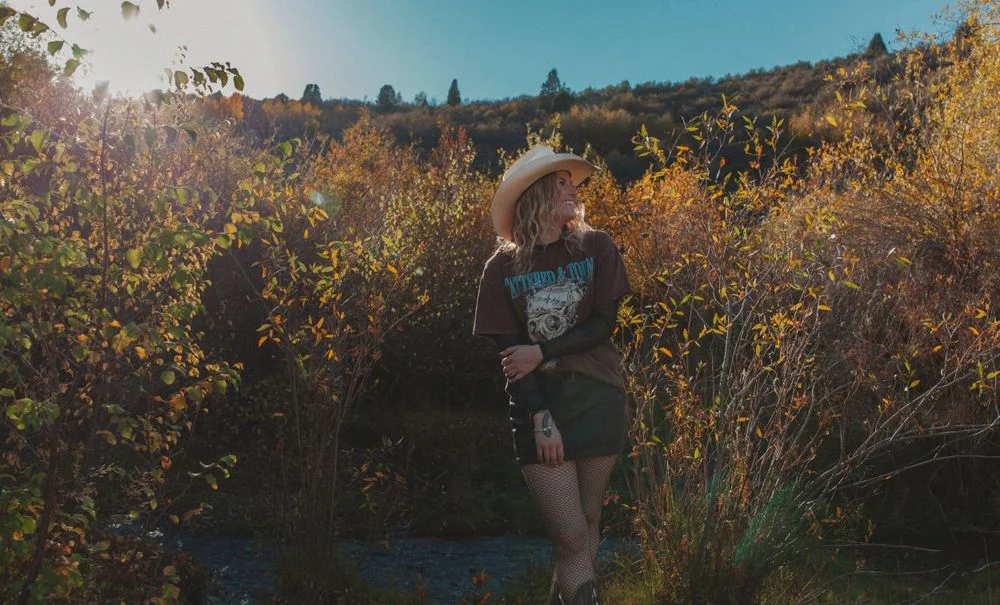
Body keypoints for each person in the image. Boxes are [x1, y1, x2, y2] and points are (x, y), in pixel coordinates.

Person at [473, 145, 631, 605]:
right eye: (560, 182)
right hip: (540, 405)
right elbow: (511, 358)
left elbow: (604, 323)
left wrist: (541, 349)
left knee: (585, 523)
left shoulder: (596, 246)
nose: (572, 189)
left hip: (600, 397)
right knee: (569, 536)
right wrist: (540, 415)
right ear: (536, 193)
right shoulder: (500, 268)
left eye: (571, 182)